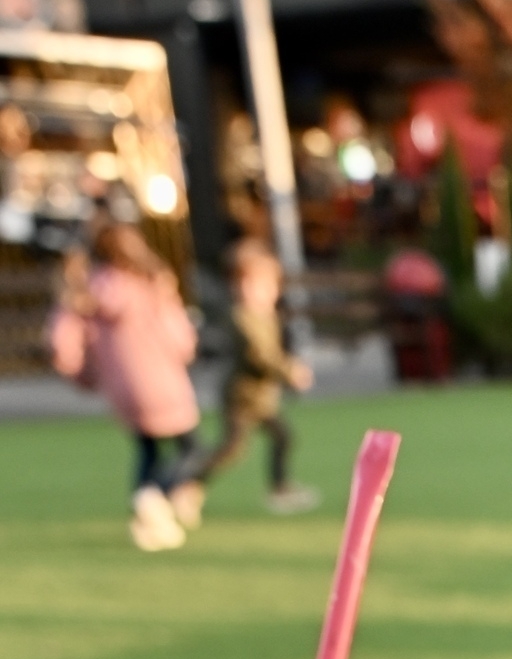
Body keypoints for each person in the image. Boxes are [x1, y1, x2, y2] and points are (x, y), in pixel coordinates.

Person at [48, 220, 200, 551]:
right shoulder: (150, 285)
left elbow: (64, 341)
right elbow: (177, 333)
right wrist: (186, 346)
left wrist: (82, 373)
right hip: (161, 378)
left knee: (147, 447)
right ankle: (153, 495)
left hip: (121, 386)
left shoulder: (88, 291)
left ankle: (146, 517)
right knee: (191, 447)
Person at [194, 239, 316, 517]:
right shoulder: (241, 317)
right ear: (237, 286)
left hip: (262, 397)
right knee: (231, 449)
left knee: (283, 437)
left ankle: (280, 488)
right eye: (253, 284)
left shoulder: (266, 314)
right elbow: (259, 355)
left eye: (267, 285)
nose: (262, 292)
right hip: (242, 397)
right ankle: (191, 482)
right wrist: (289, 372)